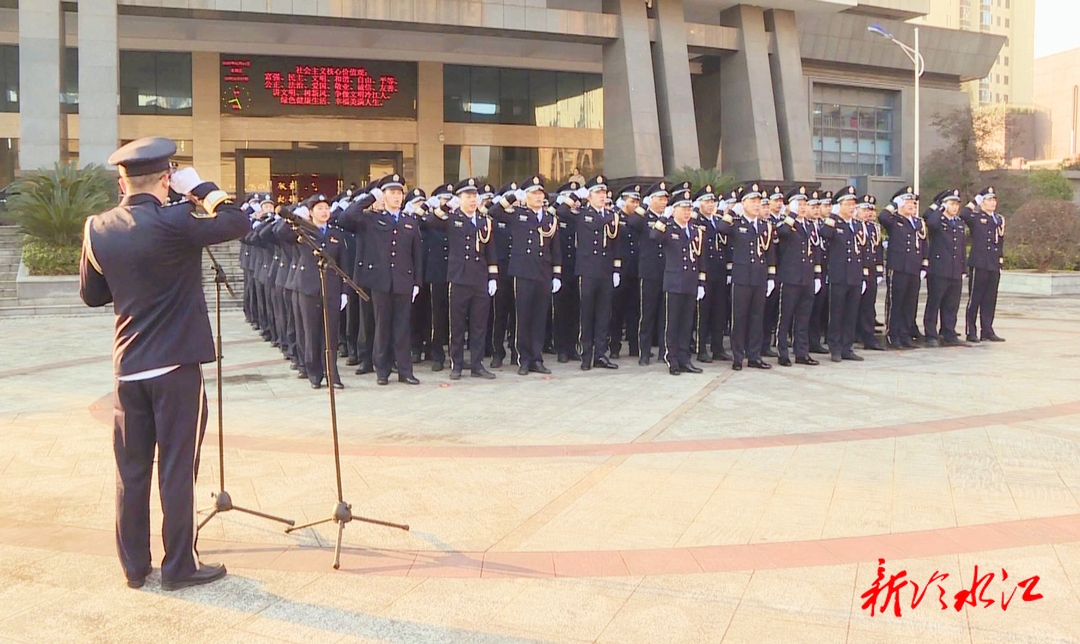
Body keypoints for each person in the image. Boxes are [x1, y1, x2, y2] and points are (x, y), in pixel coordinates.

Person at [79, 136, 245, 590]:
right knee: (176, 467)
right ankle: (178, 566)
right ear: (167, 179)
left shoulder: (97, 227)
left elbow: (93, 295)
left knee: (131, 471)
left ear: (122, 180)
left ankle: (135, 568)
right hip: (175, 368)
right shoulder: (177, 221)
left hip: (128, 366)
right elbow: (237, 221)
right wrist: (202, 189)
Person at [338, 174, 423, 385]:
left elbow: (417, 255)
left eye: (399, 193)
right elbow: (346, 217)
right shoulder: (372, 219)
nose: (396, 197)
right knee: (382, 326)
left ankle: (405, 371)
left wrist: (417, 282)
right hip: (381, 281)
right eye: (391, 193)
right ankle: (382, 371)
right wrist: (370, 197)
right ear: (383, 196)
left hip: (403, 281)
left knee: (403, 327)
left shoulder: (410, 221)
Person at [422, 178, 499, 380]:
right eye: (468, 197)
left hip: (480, 277)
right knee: (457, 324)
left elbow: (490, 251)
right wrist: (446, 205)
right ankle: (456, 364)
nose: (472, 201)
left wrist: (492, 277)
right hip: (459, 277)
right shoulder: (452, 218)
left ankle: (477, 364)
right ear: (460, 199)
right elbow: (430, 221)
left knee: (479, 324)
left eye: (475, 197)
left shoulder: (484, 221)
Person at [488, 175, 564, 375]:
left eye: (541, 194)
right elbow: (494, 211)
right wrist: (512, 196)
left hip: (543, 272)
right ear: (526, 196)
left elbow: (556, 250)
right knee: (523, 317)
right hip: (523, 272)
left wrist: (556, 274)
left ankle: (536, 358)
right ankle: (523, 359)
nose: (538, 197)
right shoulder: (518, 215)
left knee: (539, 317)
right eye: (534, 193)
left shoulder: (550, 219)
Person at [276, 194, 346, 389]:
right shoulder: (302, 230)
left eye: (326, 208)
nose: (324, 212)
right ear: (311, 212)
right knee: (311, 331)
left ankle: (333, 374)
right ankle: (314, 373)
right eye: (319, 208)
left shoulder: (336, 233)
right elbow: (281, 233)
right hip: (308, 286)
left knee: (330, 333)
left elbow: (343, 263)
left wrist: (344, 292)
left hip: (331, 287)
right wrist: (296, 215)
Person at [717, 182, 776, 371]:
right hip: (741, 277)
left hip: (759, 277)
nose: (757, 205)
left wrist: (771, 277)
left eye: (759, 201)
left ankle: (754, 355)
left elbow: (770, 253)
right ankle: (738, 356)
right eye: (752, 201)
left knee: (757, 317)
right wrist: (733, 211)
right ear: (744, 203)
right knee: (739, 317)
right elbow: (721, 229)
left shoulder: (765, 225)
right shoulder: (736, 223)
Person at [650, 188, 707, 375]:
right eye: (682, 208)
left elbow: (700, 258)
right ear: (674, 210)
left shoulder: (695, 230)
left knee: (686, 323)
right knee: (672, 322)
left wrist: (701, 282)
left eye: (689, 208)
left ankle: (684, 358)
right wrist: (664, 219)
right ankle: (671, 358)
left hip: (690, 282)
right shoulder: (669, 228)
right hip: (674, 282)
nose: (686, 212)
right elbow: (654, 237)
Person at [571, 175, 620, 371]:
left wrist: (616, 269)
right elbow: (560, 210)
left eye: (603, 192)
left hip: (606, 270)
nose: (602, 196)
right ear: (589, 196)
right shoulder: (581, 214)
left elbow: (616, 245)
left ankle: (601, 354)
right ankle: (586, 354)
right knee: (587, 314)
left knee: (603, 314)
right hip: (588, 271)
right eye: (597, 192)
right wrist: (577, 194)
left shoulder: (611, 216)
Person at [819, 186, 866, 363]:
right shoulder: (834, 223)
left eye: (853, 204)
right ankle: (835, 347)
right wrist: (833, 216)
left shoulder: (857, 225)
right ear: (840, 206)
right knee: (836, 313)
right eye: (847, 204)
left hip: (854, 275)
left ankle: (847, 347)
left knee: (851, 313)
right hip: (838, 275)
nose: (851, 207)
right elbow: (824, 234)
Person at [775, 186, 820, 367]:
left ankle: (802, 352)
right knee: (785, 317)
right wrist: (791, 215)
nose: (802, 207)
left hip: (806, 277)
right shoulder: (784, 224)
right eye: (798, 204)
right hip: (789, 278)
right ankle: (782, 352)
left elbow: (814, 251)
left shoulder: (809, 225)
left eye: (804, 204)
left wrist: (816, 275)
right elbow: (783, 233)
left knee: (803, 317)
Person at [625, 182, 670, 366]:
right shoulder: (644, 216)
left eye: (665, 199)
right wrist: (643, 207)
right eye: (659, 198)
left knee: (664, 314)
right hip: (649, 270)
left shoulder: (668, 218)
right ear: (651, 200)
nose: (663, 202)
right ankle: (644, 352)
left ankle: (663, 351)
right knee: (647, 313)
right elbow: (632, 223)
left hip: (666, 270)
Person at [879, 186, 929, 350]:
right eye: (907, 202)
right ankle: (893, 335)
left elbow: (923, 244)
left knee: (910, 303)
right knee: (896, 302)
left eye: (913, 204)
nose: (912, 206)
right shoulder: (894, 220)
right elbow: (882, 216)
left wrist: (924, 264)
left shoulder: (918, 222)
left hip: (913, 267)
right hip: (898, 266)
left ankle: (906, 334)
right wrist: (894, 203)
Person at [961, 186, 1006, 343]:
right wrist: (975, 200)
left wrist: (1000, 259)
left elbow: (1000, 241)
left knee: (990, 298)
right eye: (988, 200)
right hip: (979, 263)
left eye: (994, 200)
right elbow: (963, 214)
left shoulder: (999, 219)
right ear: (982, 202)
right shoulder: (976, 217)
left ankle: (987, 329)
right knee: (975, 298)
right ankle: (971, 330)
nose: (992, 203)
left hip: (993, 263)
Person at [692, 184, 731, 363]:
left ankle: (718, 347)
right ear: (699, 204)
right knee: (703, 312)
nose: (710, 205)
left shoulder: (718, 220)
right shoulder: (695, 221)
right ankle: (701, 349)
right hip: (704, 271)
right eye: (707, 202)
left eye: (712, 201)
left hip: (719, 271)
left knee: (719, 311)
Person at [924, 189, 968, 347]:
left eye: (957, 204)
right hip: (939, 268)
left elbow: (961, 247)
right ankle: (931, 334)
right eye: (951, 204)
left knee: (952, 303)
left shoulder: (958, 223)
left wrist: (964, 268)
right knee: (935, 302)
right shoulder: (938, 220)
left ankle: (949, 332)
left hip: (955, 269)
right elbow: (931, 222)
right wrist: (940, 207)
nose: (955, 207)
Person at [609, 184, 642, 359]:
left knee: (634, 311)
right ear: (623, 202)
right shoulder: (616, 217)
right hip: (619, 270)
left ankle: (634, 346)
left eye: (638, 201)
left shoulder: (639, 219)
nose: (636, 205)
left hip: (635, 270)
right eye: (632, 201)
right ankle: (614, 347)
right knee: (617, 311)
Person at [552, 181, 583, 363]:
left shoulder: (577, 217)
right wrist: (569, 199)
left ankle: (572, 347)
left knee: (574, 310)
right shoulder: (557, 215)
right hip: (560, 269)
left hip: (576, 269)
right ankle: (561, 348)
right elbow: (561, 211)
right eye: (570, 196)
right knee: (561, 310)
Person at [856, 195, 885, 351]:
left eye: (870, 210)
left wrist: (879, 269)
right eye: (864, 209)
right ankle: (855, 334)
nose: (868, 213)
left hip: (871, 271)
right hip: (857, 271)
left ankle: (868, 337)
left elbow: (878, 250)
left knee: (868, 305)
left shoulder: (874, 228)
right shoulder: (854, 226)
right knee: (854, 306)